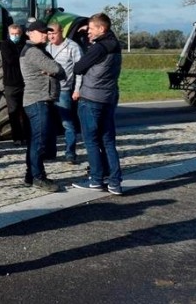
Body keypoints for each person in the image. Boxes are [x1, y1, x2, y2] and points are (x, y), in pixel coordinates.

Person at [71, 13, 124, 195]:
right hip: (109, 97)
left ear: (102, 29)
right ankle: (115, 182)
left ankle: (96, 179)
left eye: (92, 29)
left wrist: (89, 42)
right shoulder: (115, 45)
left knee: (92, 141)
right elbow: (107, 36)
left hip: (91, 98)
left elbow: (79, 67)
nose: (89, 32)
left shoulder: (99, 48)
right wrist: (92, 33)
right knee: (108, 141)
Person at [19, 20, 65, 192]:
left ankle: (31, 175)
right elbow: (57, 69)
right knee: (39, 141)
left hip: (38, 100)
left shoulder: (38, 51)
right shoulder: (33, 52)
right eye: (42, 32)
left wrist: (55, 71)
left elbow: (59, 72)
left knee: (34, 140)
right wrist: (55, 70)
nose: (46, 35)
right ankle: (38, 177)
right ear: (31, 33)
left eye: (47, 32)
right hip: (38, 100)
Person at [46, 22, 83, 164]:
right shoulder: (46, 47)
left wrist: (77, 89)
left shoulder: (72, 47)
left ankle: (70, 153)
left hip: (64, 90)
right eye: (49, 33)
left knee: (67, 123)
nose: (51, 36)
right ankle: (50, 152)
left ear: (61, 32)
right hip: (48, 90)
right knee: (49, 123)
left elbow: (79, 70)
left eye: (54, 33)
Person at [0, 24, 29, 145]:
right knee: (13, 111)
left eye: (17, 34)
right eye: (13, 34)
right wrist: (23, 58)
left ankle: (27, 136)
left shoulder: (25, 45)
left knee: (26, 111)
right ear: (9, 33)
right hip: (11, 83)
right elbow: (10, 60)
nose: (15, 36)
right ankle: (16, 137)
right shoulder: (5, 44)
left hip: (25, 82)